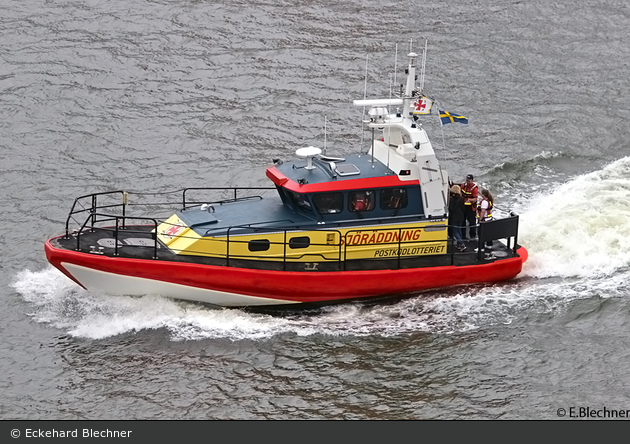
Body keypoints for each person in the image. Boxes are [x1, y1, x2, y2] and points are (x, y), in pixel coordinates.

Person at [448, 185, 466, 251]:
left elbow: (451, 208)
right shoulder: (461, 199)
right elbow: (463, 208)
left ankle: (462, 244)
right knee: (459, 230)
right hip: (460, 216)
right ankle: (459, 245)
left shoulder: (452, 199)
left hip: (454, 217)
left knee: (455, 232)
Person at [460, 174, 479, 239]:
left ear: (472, 180)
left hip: (471, 208)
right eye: (467, 180)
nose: (468, 182)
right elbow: (460, 194)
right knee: (462, 221)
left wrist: (469, 200)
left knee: (472, 222)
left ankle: (472, 236)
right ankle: (463, 236)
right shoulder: (463, 186)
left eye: (469, 181)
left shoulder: (474, 188)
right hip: (463, 207)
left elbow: (475, 199)